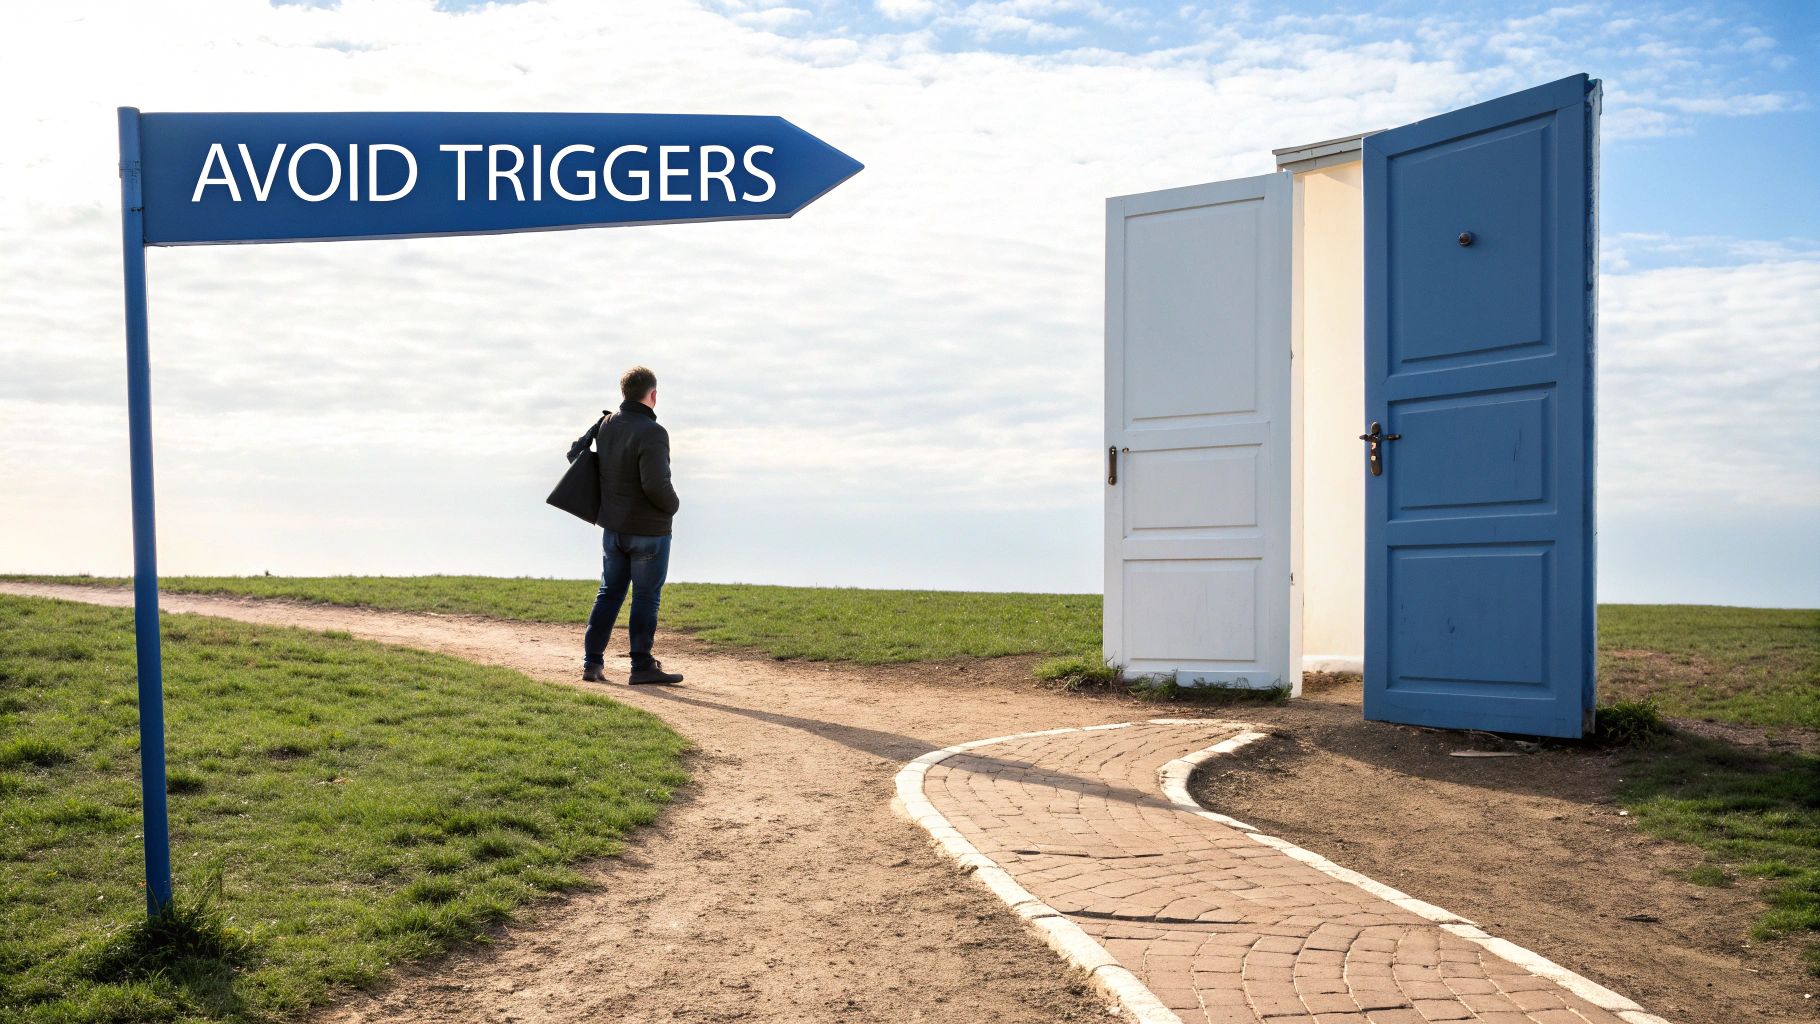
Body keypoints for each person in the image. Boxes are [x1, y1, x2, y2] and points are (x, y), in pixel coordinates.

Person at [568, 365, 684, 685]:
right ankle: (642, 666)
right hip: (649, 531)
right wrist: (674, 505)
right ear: (653, 395)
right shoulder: (653, 432)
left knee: (609, 594)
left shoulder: (606, 424)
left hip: (613, 530)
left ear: (625, 393)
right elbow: (656, 485)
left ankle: (592, 664)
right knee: (646, 598)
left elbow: (577, 454)